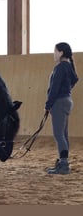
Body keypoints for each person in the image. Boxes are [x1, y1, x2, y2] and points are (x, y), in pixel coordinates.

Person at [45, 42, 79, 175]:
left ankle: (64, 165)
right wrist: (67, 90)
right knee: (63, 134)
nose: (54, 54)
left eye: (55, 51)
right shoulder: (69, 66)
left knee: (59, 134)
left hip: (59, 102)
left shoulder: (59, 68)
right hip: (67, 100)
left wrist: (48, 105)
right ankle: (63, 161)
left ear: (61, 53)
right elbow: (75, 79)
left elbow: (54, 89)